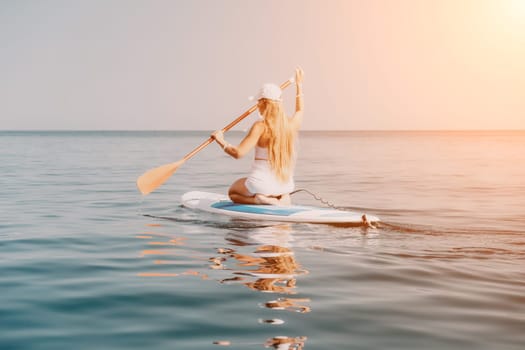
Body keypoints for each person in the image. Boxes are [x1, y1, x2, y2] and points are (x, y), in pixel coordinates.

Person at [211, 67, 304, 205]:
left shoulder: (260, 126)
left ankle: (259, 199)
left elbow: (238, 153)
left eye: (258, 102)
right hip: (286, 185)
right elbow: (299, 110)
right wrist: (299, 85)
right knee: (275, 187)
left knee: (233, 192)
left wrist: (220, 140)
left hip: (261, 185)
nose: (257, 106)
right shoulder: (290, 125)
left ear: (263, 103)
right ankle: (281, 198)